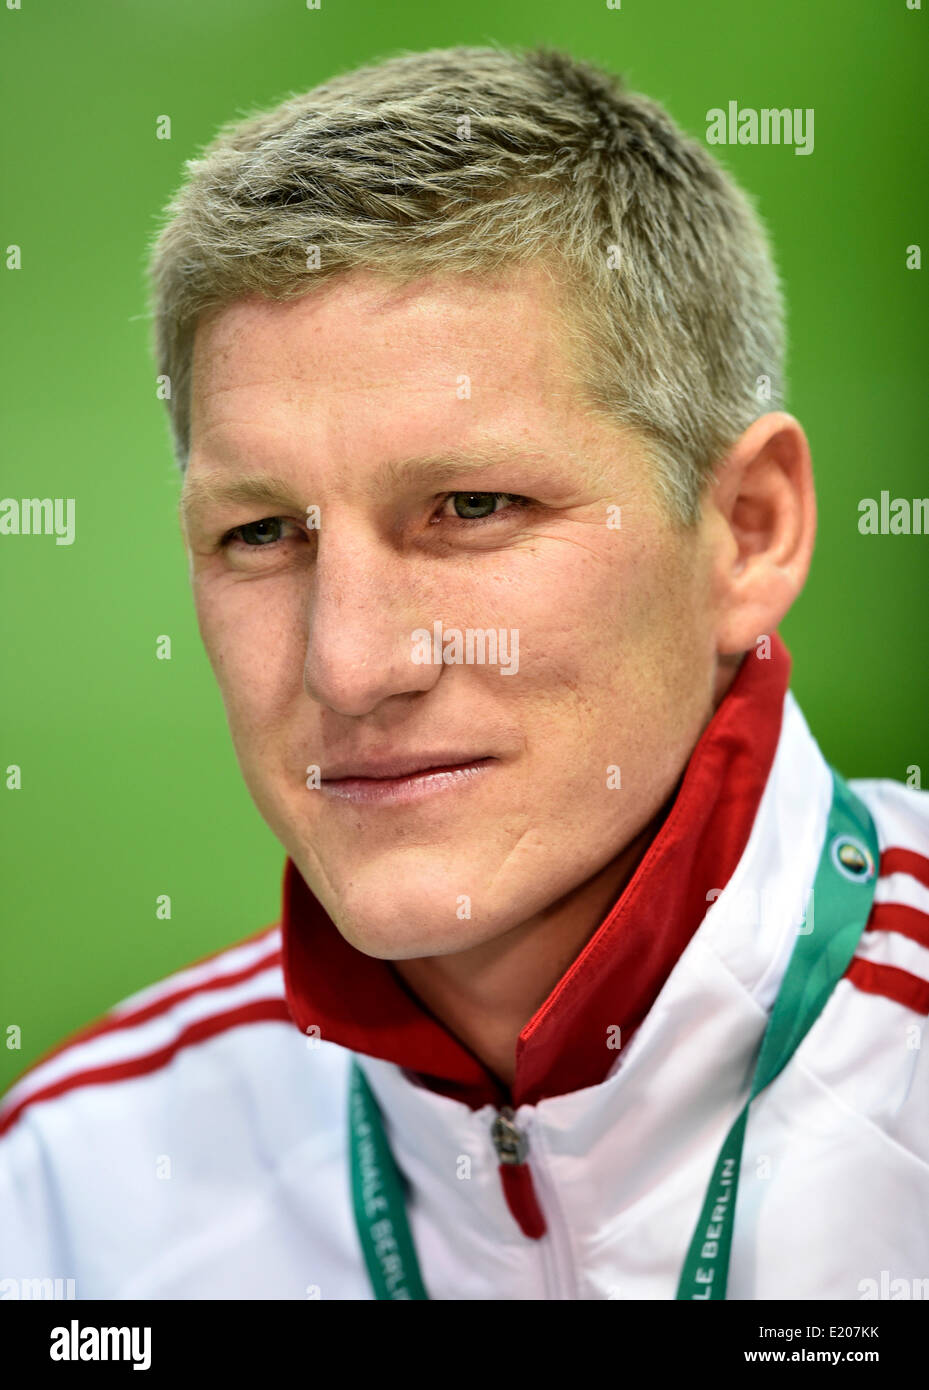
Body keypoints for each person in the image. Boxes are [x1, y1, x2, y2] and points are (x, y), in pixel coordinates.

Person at [1, 44, 926, 1302]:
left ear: (747, 531)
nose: (350, 664)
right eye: (261, 533)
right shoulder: (73, 1189)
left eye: (471, 506)